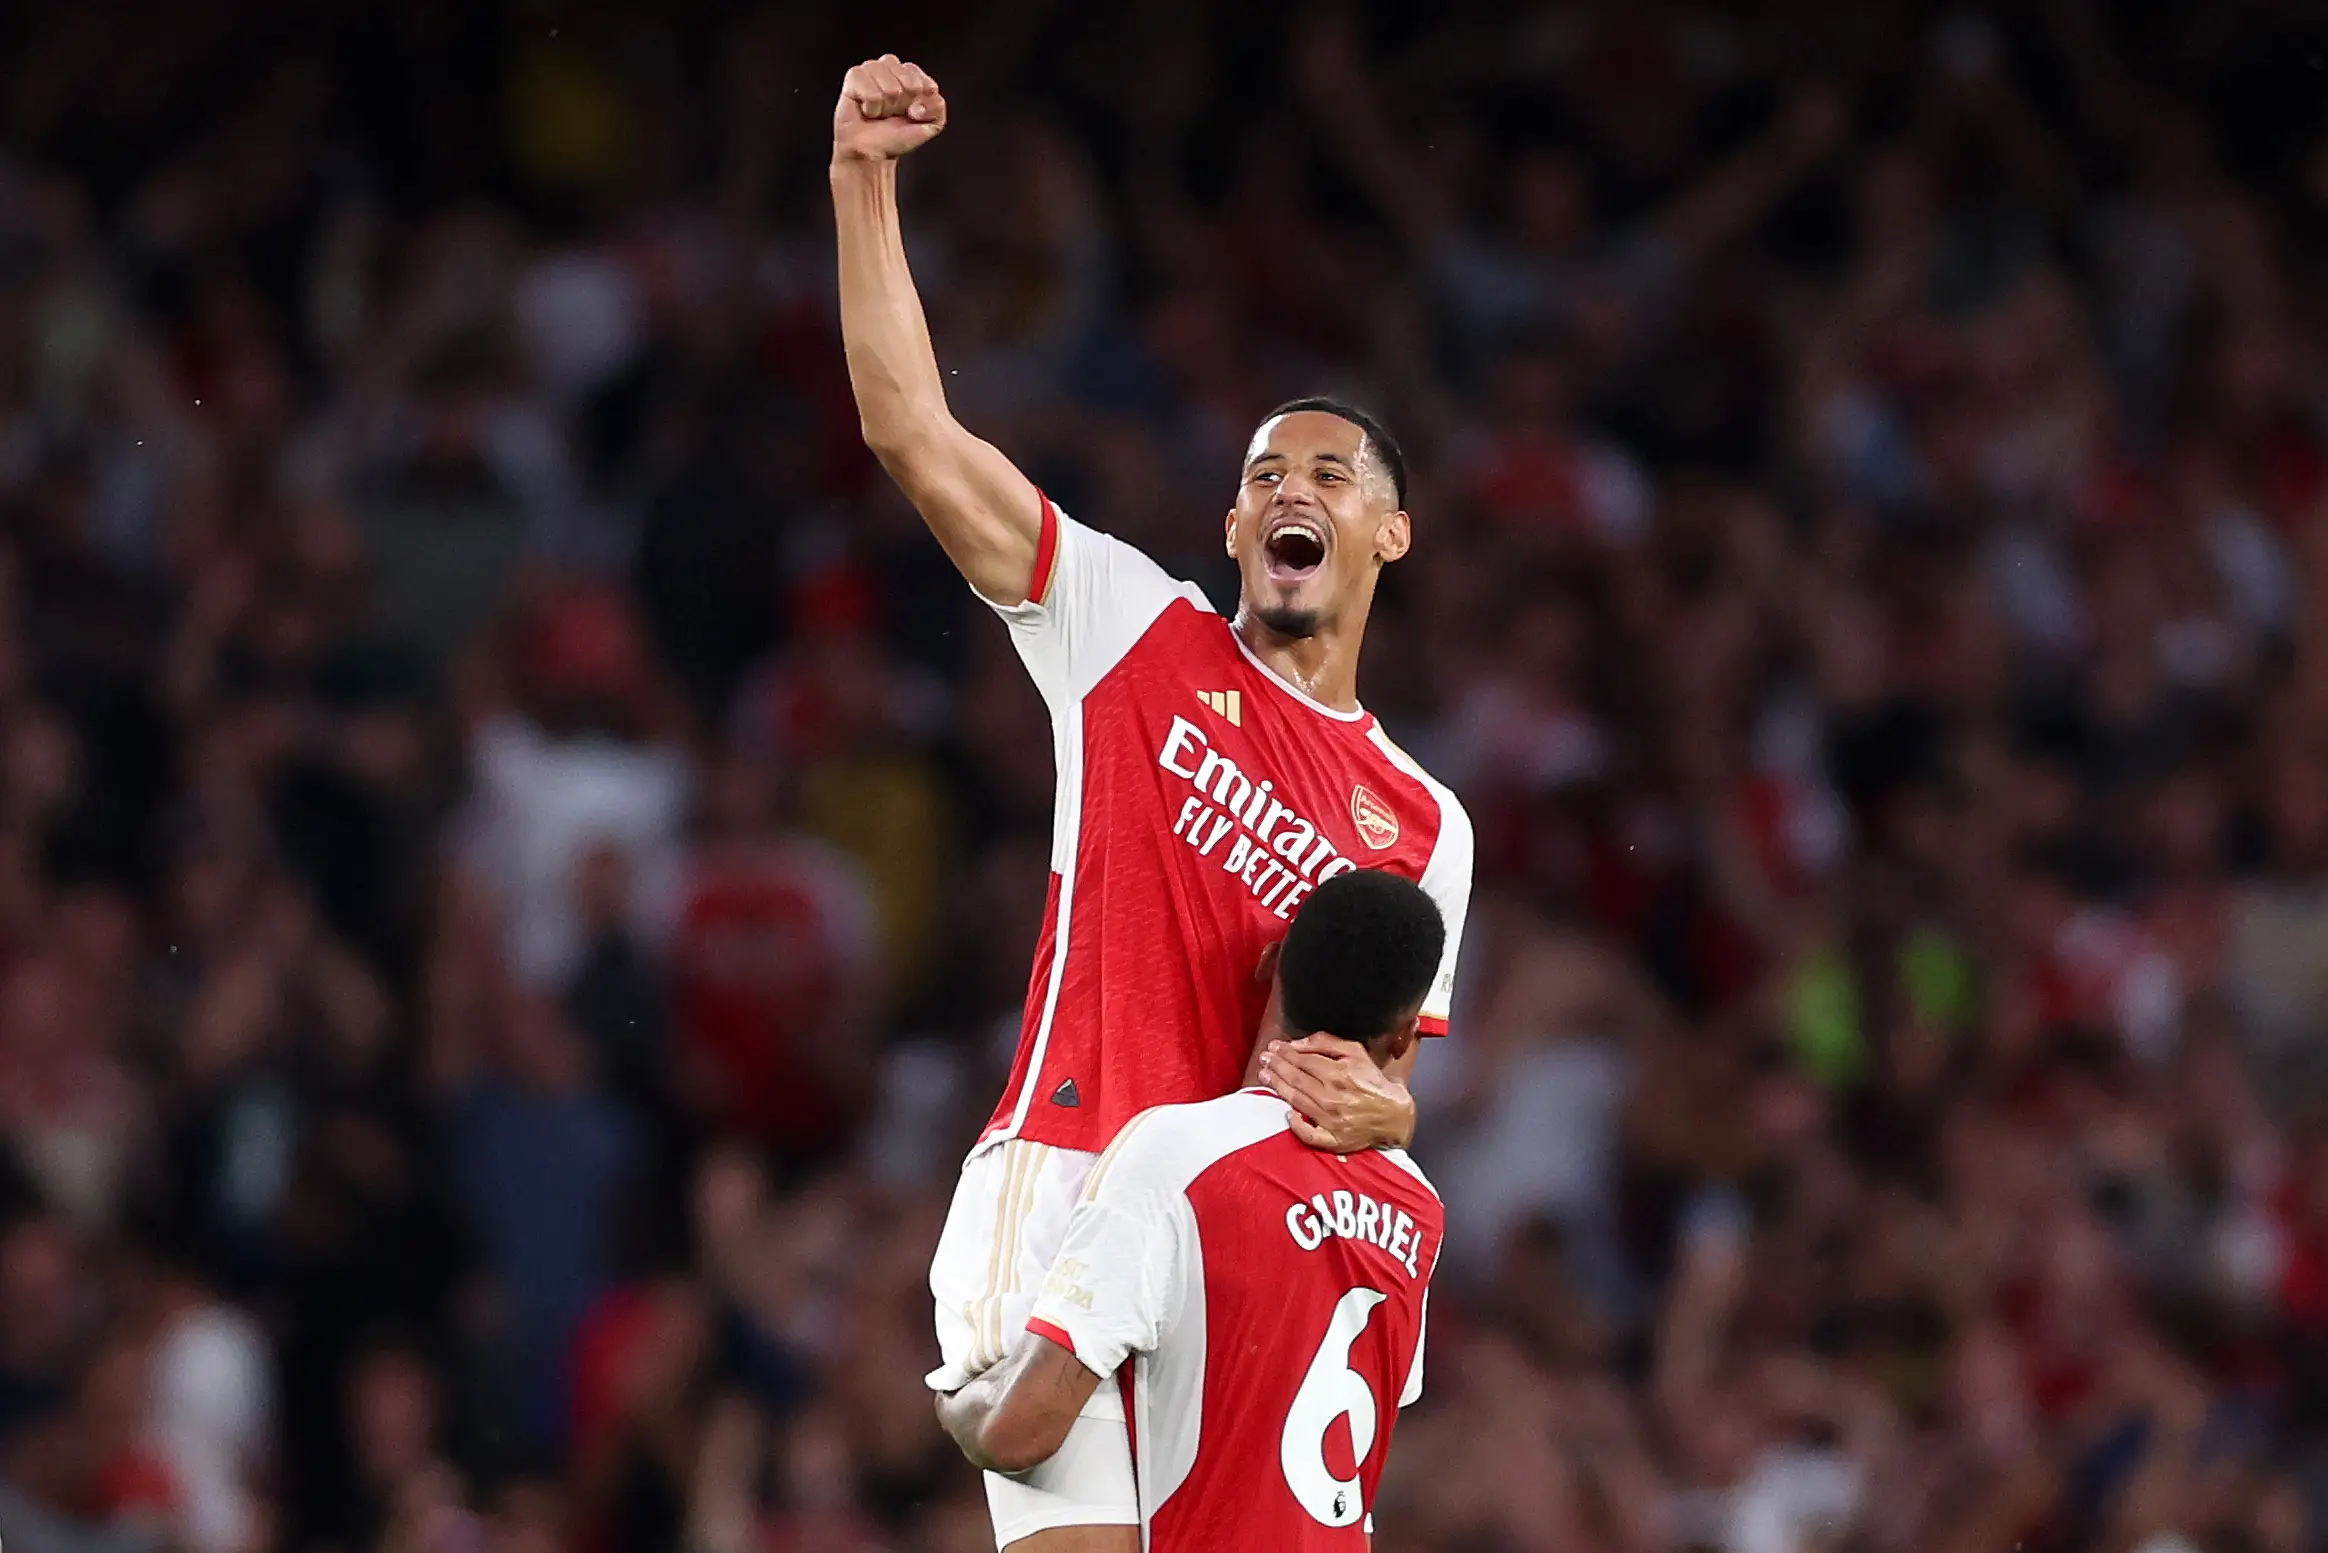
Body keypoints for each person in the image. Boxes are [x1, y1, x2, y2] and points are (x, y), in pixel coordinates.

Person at [830, 51, 1475, 1548]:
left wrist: (1395, 1105)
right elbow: (913, 434)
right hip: (1068, 1185)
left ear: (1390, 531)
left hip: (1232, 1241)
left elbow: (1384, 1079)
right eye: (1263, 474)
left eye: (1327, 469)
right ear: (1236, 521)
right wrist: (866, 182)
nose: (1288, 488)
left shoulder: (1426, 822)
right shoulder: (1133, 631)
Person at [934, 869, 1447, 1550]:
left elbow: (1020, 1432)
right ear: (1406, 1034)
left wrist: (957, 1401)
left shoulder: (1177, 1153)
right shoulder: (1421, 1213)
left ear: (1270, 962)